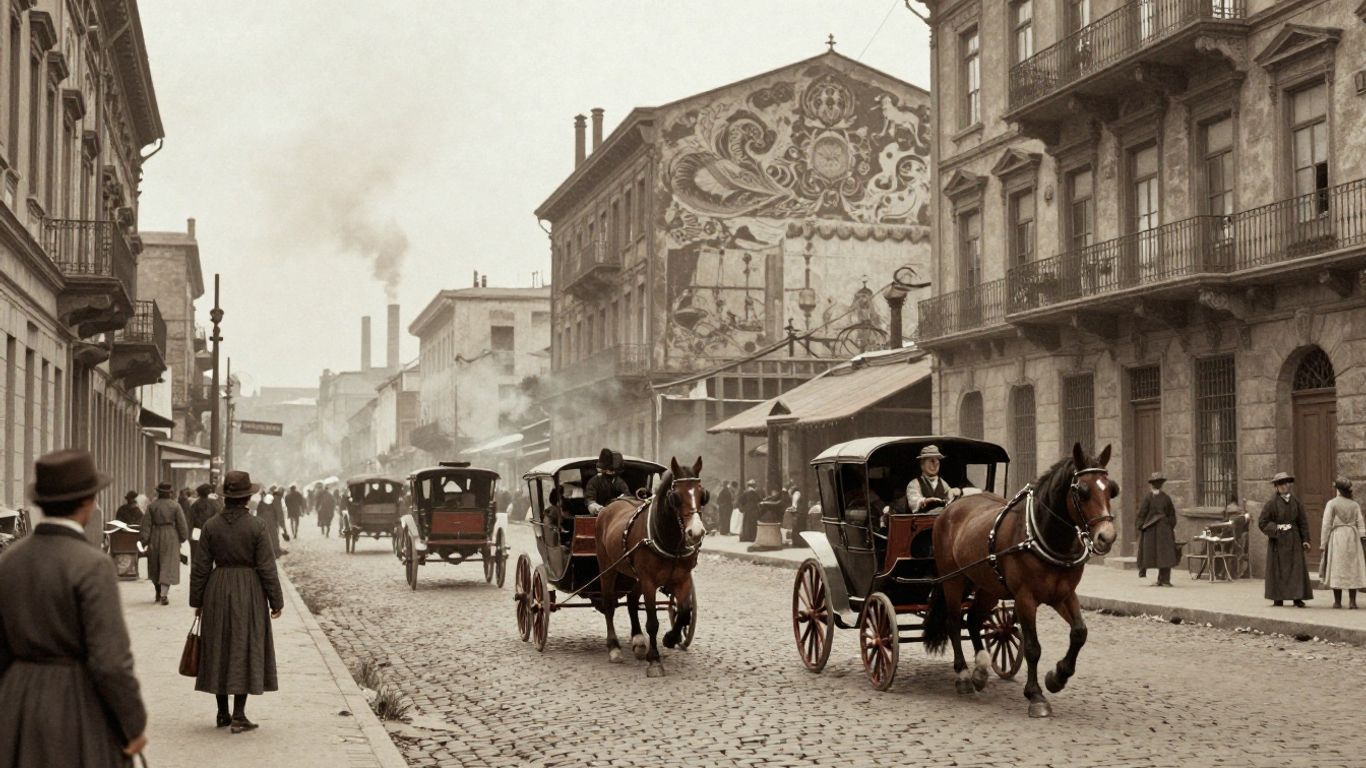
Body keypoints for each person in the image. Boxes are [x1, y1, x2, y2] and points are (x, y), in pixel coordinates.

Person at [0, 449, 148, 765]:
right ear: (86, 503)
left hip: (16, 703)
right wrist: (133, 725)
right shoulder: (92, 564)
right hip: (75, 704)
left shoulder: (9, 561)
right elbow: (110, 662)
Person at [190, 470, 284, 733]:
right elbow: (267, 567)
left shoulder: (211, 526)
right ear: (246, 498)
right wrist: (276, 600)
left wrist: (197, 600)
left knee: (218, 645)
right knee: (244, 645)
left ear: (226, 498)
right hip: (249, 590)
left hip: (217, 588)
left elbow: (200, 567)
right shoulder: (257, 526)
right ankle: (239, 714)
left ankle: (222, 712)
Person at [1259, 471, 1314, 607]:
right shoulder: (1271, 503)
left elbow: (1303, 522)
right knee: (1278, 570)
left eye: (1285, 483)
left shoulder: (1296, 502)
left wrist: (1305, 539)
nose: (1283, 486)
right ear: (1276, 487)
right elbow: (1262, 522)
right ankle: (1278, 598)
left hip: (1294, 539)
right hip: (1278, 541)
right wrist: (1276, 528)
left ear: (1289, 485)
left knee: (1296, 569)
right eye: (1280, 484)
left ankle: (1297, 597)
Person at [1319, 477, 1366, 609]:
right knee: (1352, 568)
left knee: (1337, 567)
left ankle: (1337, 602)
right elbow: (1361, 524)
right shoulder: (1354, 505)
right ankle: (1352, 601)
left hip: (1338, 537)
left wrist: (1323, 543)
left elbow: (1326, 524)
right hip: (1353, 538)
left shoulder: (1332, 503)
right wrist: (1363, 539)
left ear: (1338, 490)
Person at [140, 481, 189, 605]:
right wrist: (182, 538)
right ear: (170, 493)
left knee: (155, 564)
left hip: (155, 535)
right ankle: (164, 594)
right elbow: (182, 524)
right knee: (168, 564)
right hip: (171, 536)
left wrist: (144, 540)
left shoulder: (152, 506)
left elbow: (146, 525)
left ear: (158, 493)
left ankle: (158, 591)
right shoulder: (176, 506)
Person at [1135, 471, 1178, 586]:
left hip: (1164, 532)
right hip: (1151, 531)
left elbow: (1171, 514)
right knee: (1153, 554)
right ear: (1151, 484)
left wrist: (1169, 525)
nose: (1157, 484)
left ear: (1161, 484)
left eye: (1159, 482)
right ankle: (1160, 579)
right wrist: (1140, 525)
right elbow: (1142, 513)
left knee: (1165, 554)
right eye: (1155, 482)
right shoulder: (1148, 498)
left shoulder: (1166, 498)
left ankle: (1165, 579)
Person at [906, 444, 958, 511]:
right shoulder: (914, 484)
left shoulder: (942, 482)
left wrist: (953, 492)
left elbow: (948, 496)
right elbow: (913, 502)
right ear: (922, 464)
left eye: (937, 461)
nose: (935, 464)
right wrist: (926, 501)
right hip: (923, 520)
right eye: (932, 461)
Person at [188, 483, 222, 572]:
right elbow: (219, 520)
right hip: (212, 533)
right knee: (211, 557)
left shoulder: (194, 505)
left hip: (196, 533)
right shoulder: (215, 504)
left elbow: (190, 521)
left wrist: (188, 535)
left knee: (196, 558)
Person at [586, 449, 630, 513]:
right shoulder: (594, 481)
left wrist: (621, 500)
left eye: (614, 470)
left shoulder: (620, 482)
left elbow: (627, 496)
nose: (612, 472)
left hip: (617, 514)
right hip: (598, 515)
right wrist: (598, 508)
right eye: (610, 470)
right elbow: (590, 500)